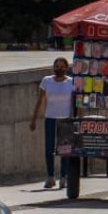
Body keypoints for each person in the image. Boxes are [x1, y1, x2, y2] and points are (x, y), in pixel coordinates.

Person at [29, 57, 74, 189]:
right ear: (53, 68)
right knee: (49, 148)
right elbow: (40, 100)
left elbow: (75, 101)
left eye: (62, 67)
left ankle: (64, 177)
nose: (59, 69)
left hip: (65, 119)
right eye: (57, 66)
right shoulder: (46, 81)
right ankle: (50, 176)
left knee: (65, 149)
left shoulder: (71, 82)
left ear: (66, 68)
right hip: (50, 118)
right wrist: (34, 119)